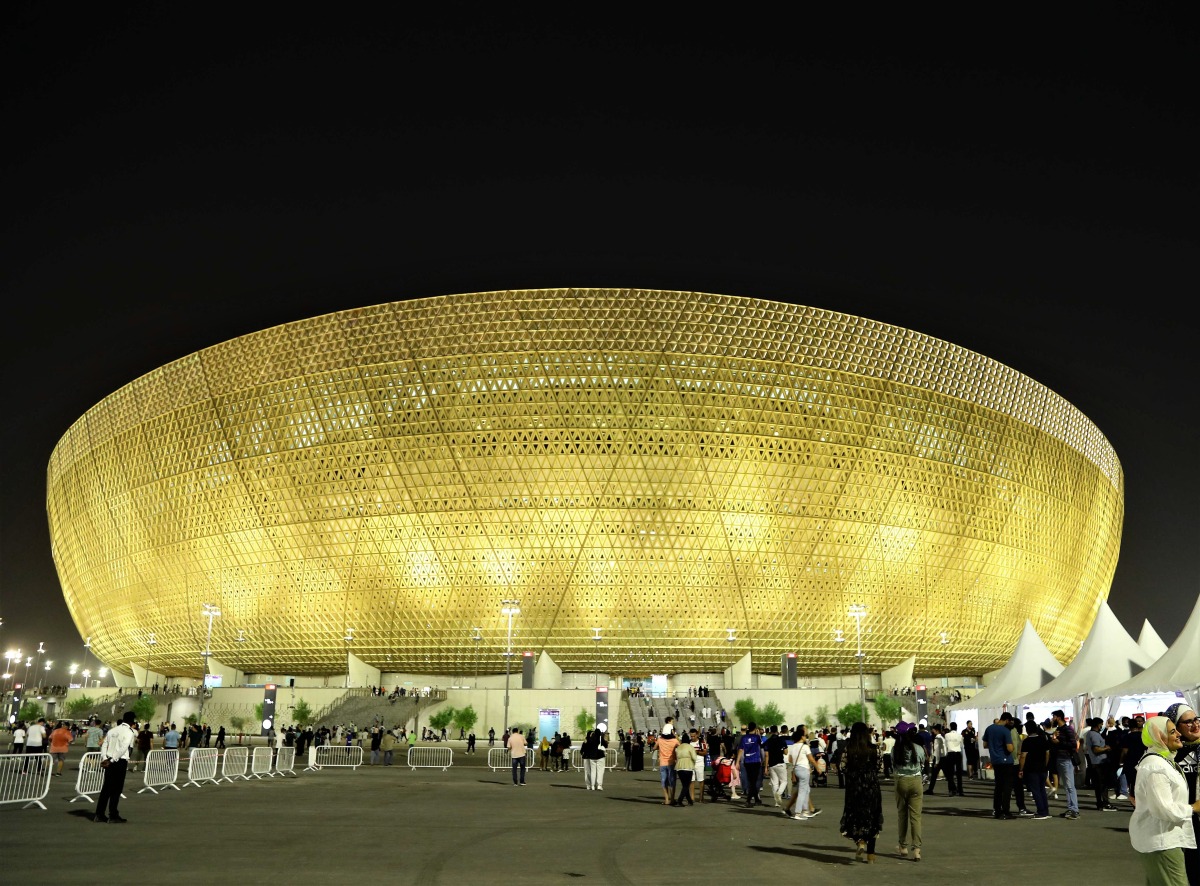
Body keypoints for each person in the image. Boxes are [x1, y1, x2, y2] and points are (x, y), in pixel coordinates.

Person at [1128, 716, 1200, 886]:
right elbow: (1163, 809)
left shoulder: (1162, 761)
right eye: (1172, 732)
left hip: (1163, 840)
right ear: (1159, 736)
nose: (1178, 735)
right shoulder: (1156, 767)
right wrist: (1193, 808)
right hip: (1162, 843)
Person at [1164, 702, 1200, 885]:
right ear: (1175, 727)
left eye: (1196, 719)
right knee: (1186, 868)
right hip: (1181, 817)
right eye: (1188, 722)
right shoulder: (1167, 754)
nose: (1195, 725)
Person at [839, 721, 884, 863]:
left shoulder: (849, 749)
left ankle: (860, 841)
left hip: (854, 787)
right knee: (872, 817)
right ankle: (871, 854)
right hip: (871, 786)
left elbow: (842, 767)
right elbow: (879, 767)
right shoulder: (874, 749)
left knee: (856, 816)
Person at [94, 711, 138, 823]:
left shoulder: (112, 730)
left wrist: (105, 758)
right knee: (116, 790)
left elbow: (104, 744)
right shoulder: (129, 732)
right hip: (119, 761)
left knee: (106, 789)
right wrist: (113, 759)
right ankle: (113, 815)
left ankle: (99, 814)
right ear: (132, 721)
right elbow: (124, 748)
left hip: (108, 759)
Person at [891, 721, 925, 861]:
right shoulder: (918, 748)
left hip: (901, 780)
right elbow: (922, 761)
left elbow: (893, 764)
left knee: (902, 815)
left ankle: (903, 846)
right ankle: (917, 849)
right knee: (916, 817)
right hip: (916, 781)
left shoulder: (896, 749)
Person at [983, 713, 1016, 819]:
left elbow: (985, 745)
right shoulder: (1005, 731)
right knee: (1007, 788)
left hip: (995, 760)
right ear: (1006, 720)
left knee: (998, 786)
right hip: (1006, 761)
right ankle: (1006, 810)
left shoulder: (989, 728)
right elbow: (1010, 748)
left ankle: (997, 810)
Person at [783, 725, 820, 820]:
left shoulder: (793, 746)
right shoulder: (805, 747)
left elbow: (790, 759)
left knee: (805, 790)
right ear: (801, 737)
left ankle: (805, 811)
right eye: (804, 736)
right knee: (802, 792)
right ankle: (798, 812)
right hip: (804, 769)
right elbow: (811, 759)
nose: (805, 737)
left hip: (796, 769)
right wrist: (817, 768)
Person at [1049, 709, 1080, 819]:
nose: (1052, 719)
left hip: (1066, 759)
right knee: (1067, 786)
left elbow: (1073, 744)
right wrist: (1053, 740)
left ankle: (1074, 810)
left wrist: (1059, 742)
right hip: (1060, 759)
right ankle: (1071, 808)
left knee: (1070, 786)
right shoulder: (1058, 729)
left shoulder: (1067, 729)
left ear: (1058, 717)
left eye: (1053, 717)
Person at [1084, 716, 1119, 812]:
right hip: (1100, 762)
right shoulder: (1094, 735)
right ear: (1097, 725)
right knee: (1103, 785)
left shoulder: (1090, 734)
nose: (1102, 726)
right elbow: (1096, 749)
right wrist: (1106, 748)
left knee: (1098, 785)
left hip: (1095, 762)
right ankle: (1105, 803)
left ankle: (1100, 803)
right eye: (1101, 724)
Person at [1019, 720, 1052, 819]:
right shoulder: (1043, 739)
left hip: (1031, 769)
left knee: (1036, 790)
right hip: (1042, 768)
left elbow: (1023, 756)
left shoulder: (1027, 741)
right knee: (1042, 790)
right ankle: (1045, 810)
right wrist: (1045, 765)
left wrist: (1021, 769)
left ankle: (1041, 811)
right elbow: (1047, 753)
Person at [735, 721, 766, 807]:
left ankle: (756, 799)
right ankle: (748, 800)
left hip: (747, 761)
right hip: (755, 760)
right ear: (755, 728)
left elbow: (740, 750)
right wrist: (763, 759)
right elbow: (762, 748)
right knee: (754, 781)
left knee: (751, 780)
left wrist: (737, 762)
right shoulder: (757, 737)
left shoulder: (744, 738)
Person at [656, 725, 680, 805]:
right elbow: (681, 745)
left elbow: (654, 748)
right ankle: (672, 799)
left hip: (662, 763)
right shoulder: (674, 741)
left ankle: (666, 799)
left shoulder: (660, 740)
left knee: (664, 781)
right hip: (671, 762)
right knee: (672, 781)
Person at [672, 731, 697, 806]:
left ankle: (689, 801)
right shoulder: (690, 747)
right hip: (688, 766)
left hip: (679, 767)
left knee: (684, 785)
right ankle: (680, 800)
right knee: (687, 785)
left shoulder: (678, 747)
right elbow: (694, 757)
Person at [581, 725, 608, 791]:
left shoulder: (589, 740)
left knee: (592, 772)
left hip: (591, 757)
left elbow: (582, 750)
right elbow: (606, 745)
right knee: (600, 771)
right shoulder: (600, 738)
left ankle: (592, 785)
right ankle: (599, 785)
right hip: (599, 756)